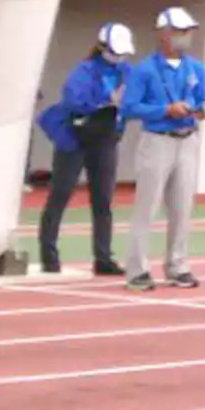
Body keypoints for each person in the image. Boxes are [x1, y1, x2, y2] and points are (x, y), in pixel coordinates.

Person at [36, 23, 135, 275]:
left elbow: (133, 101)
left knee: (103, 200)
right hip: (75, 139)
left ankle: (103, 258)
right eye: (115, 51)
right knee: (60, 194)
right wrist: (104, 102)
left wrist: (125, 105)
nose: (119, 57)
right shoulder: (85, 70)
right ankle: (49, 256)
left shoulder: (126, 71)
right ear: (102, 47)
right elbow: (73, 100)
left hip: (105, 140)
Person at [123, 7, 205, 291]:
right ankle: (137, 269)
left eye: (188, 32)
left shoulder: (196, 68)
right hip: (157, 140)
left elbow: (200, 99)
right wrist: (165, 109)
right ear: (164, 34)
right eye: (180, 31)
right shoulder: (145, 69)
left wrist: (198, 111)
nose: (186, 37)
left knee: (183, 207)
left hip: (187, 139)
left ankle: (178, 265)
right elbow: (129, 107)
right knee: (146, 207)